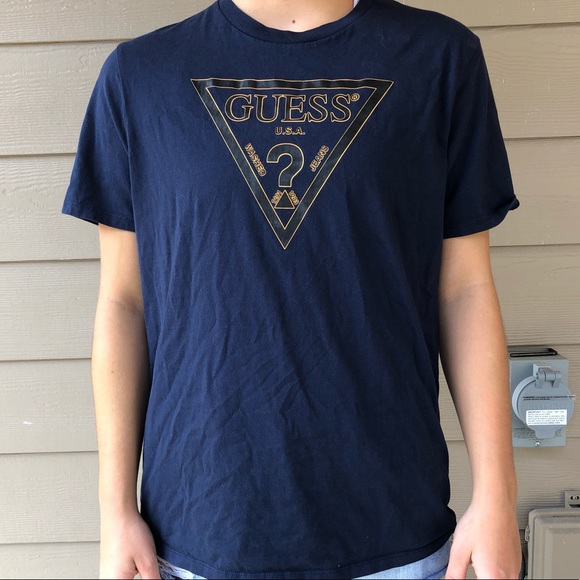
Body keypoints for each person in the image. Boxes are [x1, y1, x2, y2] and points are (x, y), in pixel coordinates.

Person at [62, 0, 522, 578]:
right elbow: (123, 303)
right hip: (200, 532)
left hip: (395, 530)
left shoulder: (440, 59)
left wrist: (497, 493)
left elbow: (465, 290)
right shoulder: (140, 76)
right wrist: (114, 510)